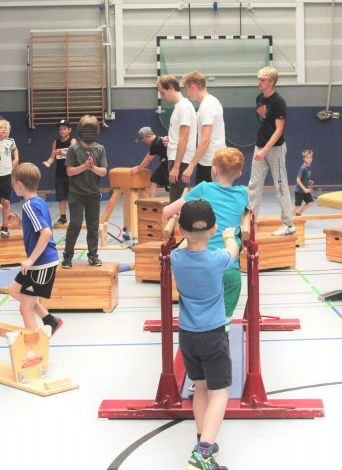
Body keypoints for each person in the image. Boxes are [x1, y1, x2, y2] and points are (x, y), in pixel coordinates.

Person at [170, 199, 238, 470]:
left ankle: (202, 438)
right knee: (219, 392)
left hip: (187, 335)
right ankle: (203, 453)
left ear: (180, 229)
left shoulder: (176, 257)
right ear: (213, 229)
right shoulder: (216, 259)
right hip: (212, 335)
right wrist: (229, 235)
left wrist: (182, 230)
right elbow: (232, 249)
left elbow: (184, 244)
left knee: (199, 385)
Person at [164, 147, 249, 330]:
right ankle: (222, 334)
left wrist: (182, 209)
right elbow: (248, 210)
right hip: (230, 266)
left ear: (215, 170)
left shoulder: (204, 187)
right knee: (224, 317)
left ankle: (198, 330)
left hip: (206, 264)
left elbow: (167, 212)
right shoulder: (243, 192)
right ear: (239, 173)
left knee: (202, 307)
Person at [6, 163, 63, 334]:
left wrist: (30, 259)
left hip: (41, 264)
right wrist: (21, 224)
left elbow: (45, 233)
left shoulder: (29, 205)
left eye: (13, 182)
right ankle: (50, 320)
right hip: (38, 263)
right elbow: (38, 229)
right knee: (15, 290)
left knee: (25, 309)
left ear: (19, 184)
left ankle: (36, 349)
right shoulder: (37, 202)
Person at [247, 66, 296, 236]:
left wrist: (265, 150)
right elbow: (263, 124)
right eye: (259, 79)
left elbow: (279, 130)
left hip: (274, 149)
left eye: (262, 80)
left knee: (280, 186)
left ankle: (289, 224)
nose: (259, 82)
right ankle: (250, 225)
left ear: (271, 82)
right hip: (259, 147)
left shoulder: (278, 101)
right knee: (253, 187)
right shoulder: (259, 98)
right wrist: (259, 149)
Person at [62, 115, 107, 268]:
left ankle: (93, 256)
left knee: (93, 226)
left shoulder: (100, 149)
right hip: (76, 194)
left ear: (96, 131)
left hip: (93, 194)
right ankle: (67, 256)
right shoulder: (73, 149)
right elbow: (69, 172)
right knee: (75, 224)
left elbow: (103, 172)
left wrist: (93, 167)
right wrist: (84, 166)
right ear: (80, 131)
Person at [181, 71, 226, 185]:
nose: (186, 93)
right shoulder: (212, 101)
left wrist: (191, 166)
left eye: (186, 89)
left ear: (193, 87)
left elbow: (205, 139)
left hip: (210, 162)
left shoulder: (207, 106)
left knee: (208, 200)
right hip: (210, 160)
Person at [158, 74, 197, 202]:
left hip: (180, 162)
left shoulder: (184, 107)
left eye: (162, 93)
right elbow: (180, 136)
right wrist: (170, 141)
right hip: (176, 159)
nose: (162, 97)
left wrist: (176, 166)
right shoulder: (179, 107)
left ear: (170, 88)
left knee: (177, 204)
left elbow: (184, 139)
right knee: (176, 202)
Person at [42, 119, 76, 225]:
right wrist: (48, 162)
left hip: (70, 173)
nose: (62, 131)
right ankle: (63, 217)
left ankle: (74, 217)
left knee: (72, 197)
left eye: (64, 129)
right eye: (60, 129)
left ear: (69, 130)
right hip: (59, 174)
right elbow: (52, 156)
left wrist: (62, 153)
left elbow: (74, 155)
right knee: (61, 197)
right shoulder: (56, 142)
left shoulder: (72, 141)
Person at [131, 126, 169, 198]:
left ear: (149, 136)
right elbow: (149, 154)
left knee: (172, 188)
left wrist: (138, 168)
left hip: (169, 165)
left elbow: (149, 159)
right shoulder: (156, 141)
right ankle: (152, 202)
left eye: (144, 140)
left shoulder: (157, 143)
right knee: (154, 181)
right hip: (164, 164)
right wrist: (139, 166)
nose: (144, 142)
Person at [293, 149, 314, 216]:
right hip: (299, 190)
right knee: (297, 205)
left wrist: (308, 181)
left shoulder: (308, 167)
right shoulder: (303, 168)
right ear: (304, 159)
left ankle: (298, 214)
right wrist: (304, 189)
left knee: (310, 202)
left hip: (305, 190)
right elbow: (298, 179)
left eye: (310, 157)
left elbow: (304, 177)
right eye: (307, 157)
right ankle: (287, 218)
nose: (309, 159)